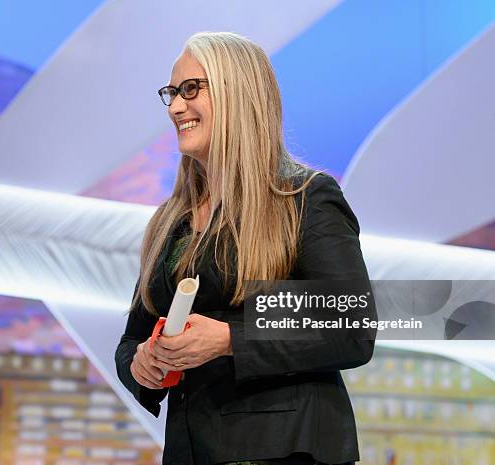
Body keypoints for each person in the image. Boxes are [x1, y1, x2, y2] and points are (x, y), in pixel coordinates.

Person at [115, 31, 377, 465]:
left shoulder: (304, 198)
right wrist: (141, 365)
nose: (176, 107)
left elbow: (351, 324)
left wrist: (230, 339)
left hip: (286, 450)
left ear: (238, 94)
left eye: (191, 89)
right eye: (172, 93)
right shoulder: (170, 220)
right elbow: (133, 338)